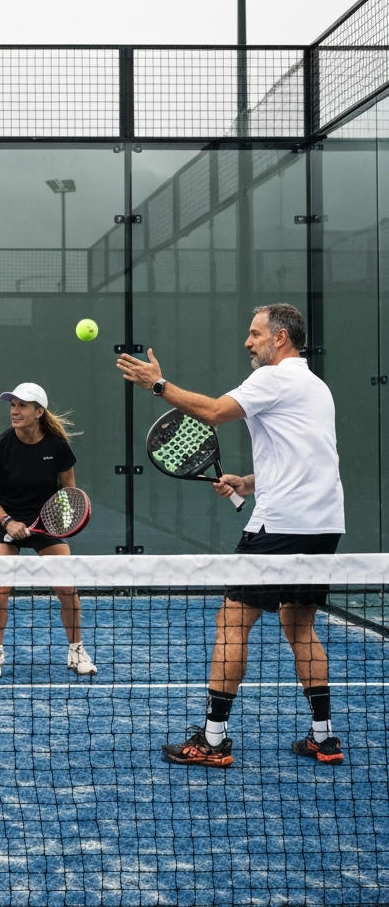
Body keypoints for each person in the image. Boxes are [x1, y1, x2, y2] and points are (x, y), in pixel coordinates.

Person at [117, 303, 345, 767]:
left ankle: (213, 741)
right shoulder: (317, 387)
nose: (248, 342)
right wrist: (247, 482)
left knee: (232, 622)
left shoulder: (273, 378)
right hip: (324, 524)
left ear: (280, 338)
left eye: (255, 333)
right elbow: (304, 457)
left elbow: (216, 412)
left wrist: (158, 385)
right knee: (299, 624)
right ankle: (323, 737)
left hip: (280, 526)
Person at [0, 382, 97, 679]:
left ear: (39, 412)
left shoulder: (57, 447)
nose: (15, 411)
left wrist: (61, 518)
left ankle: (76, 649)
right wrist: (7, 521)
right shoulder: (0, 446)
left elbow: (69, 488)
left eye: (22, 406)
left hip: (46, 520)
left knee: (67, 588)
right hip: (8, 520)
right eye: (13, 405)